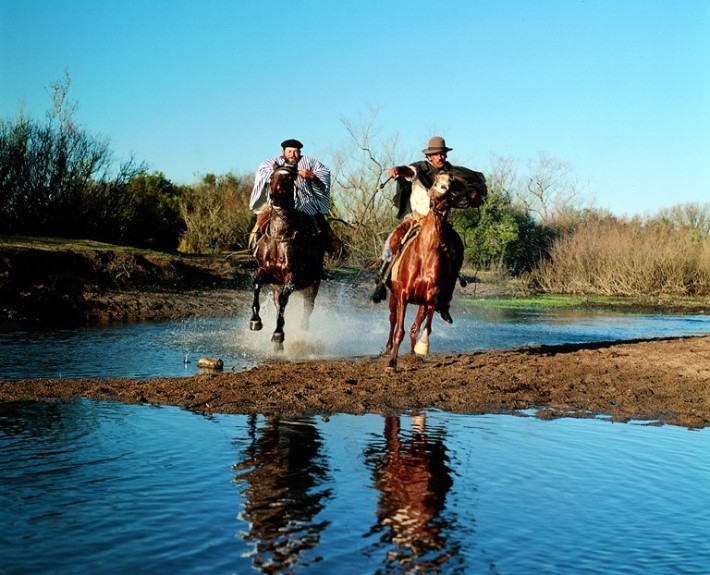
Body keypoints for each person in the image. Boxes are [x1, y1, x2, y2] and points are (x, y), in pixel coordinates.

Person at [371, 136, 487, 324]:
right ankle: (381, 280)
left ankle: (444, 301)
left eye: (442, 153)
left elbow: (467, 188)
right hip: (417, 219)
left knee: (457, 247)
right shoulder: (420, 169)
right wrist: (398, 170)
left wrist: (471, 194)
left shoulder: (452, 174)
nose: (440, 157)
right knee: (392, 241)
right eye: (436, 154)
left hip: (440, 224)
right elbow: (409, 172)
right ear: (430, 157)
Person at [249, 138, 343, 256]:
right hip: (277, 205)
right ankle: (253, 251)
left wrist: (313, 177)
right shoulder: (271, 162)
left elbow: (324, 174)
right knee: (258, 224)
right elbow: (263, 173)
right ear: (283, 152)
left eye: (296, 152)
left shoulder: (311, 163)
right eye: (289, 151)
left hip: (305, 204)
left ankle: (334, 254)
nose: (293, 155)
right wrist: (281, 173)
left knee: (320, 227)